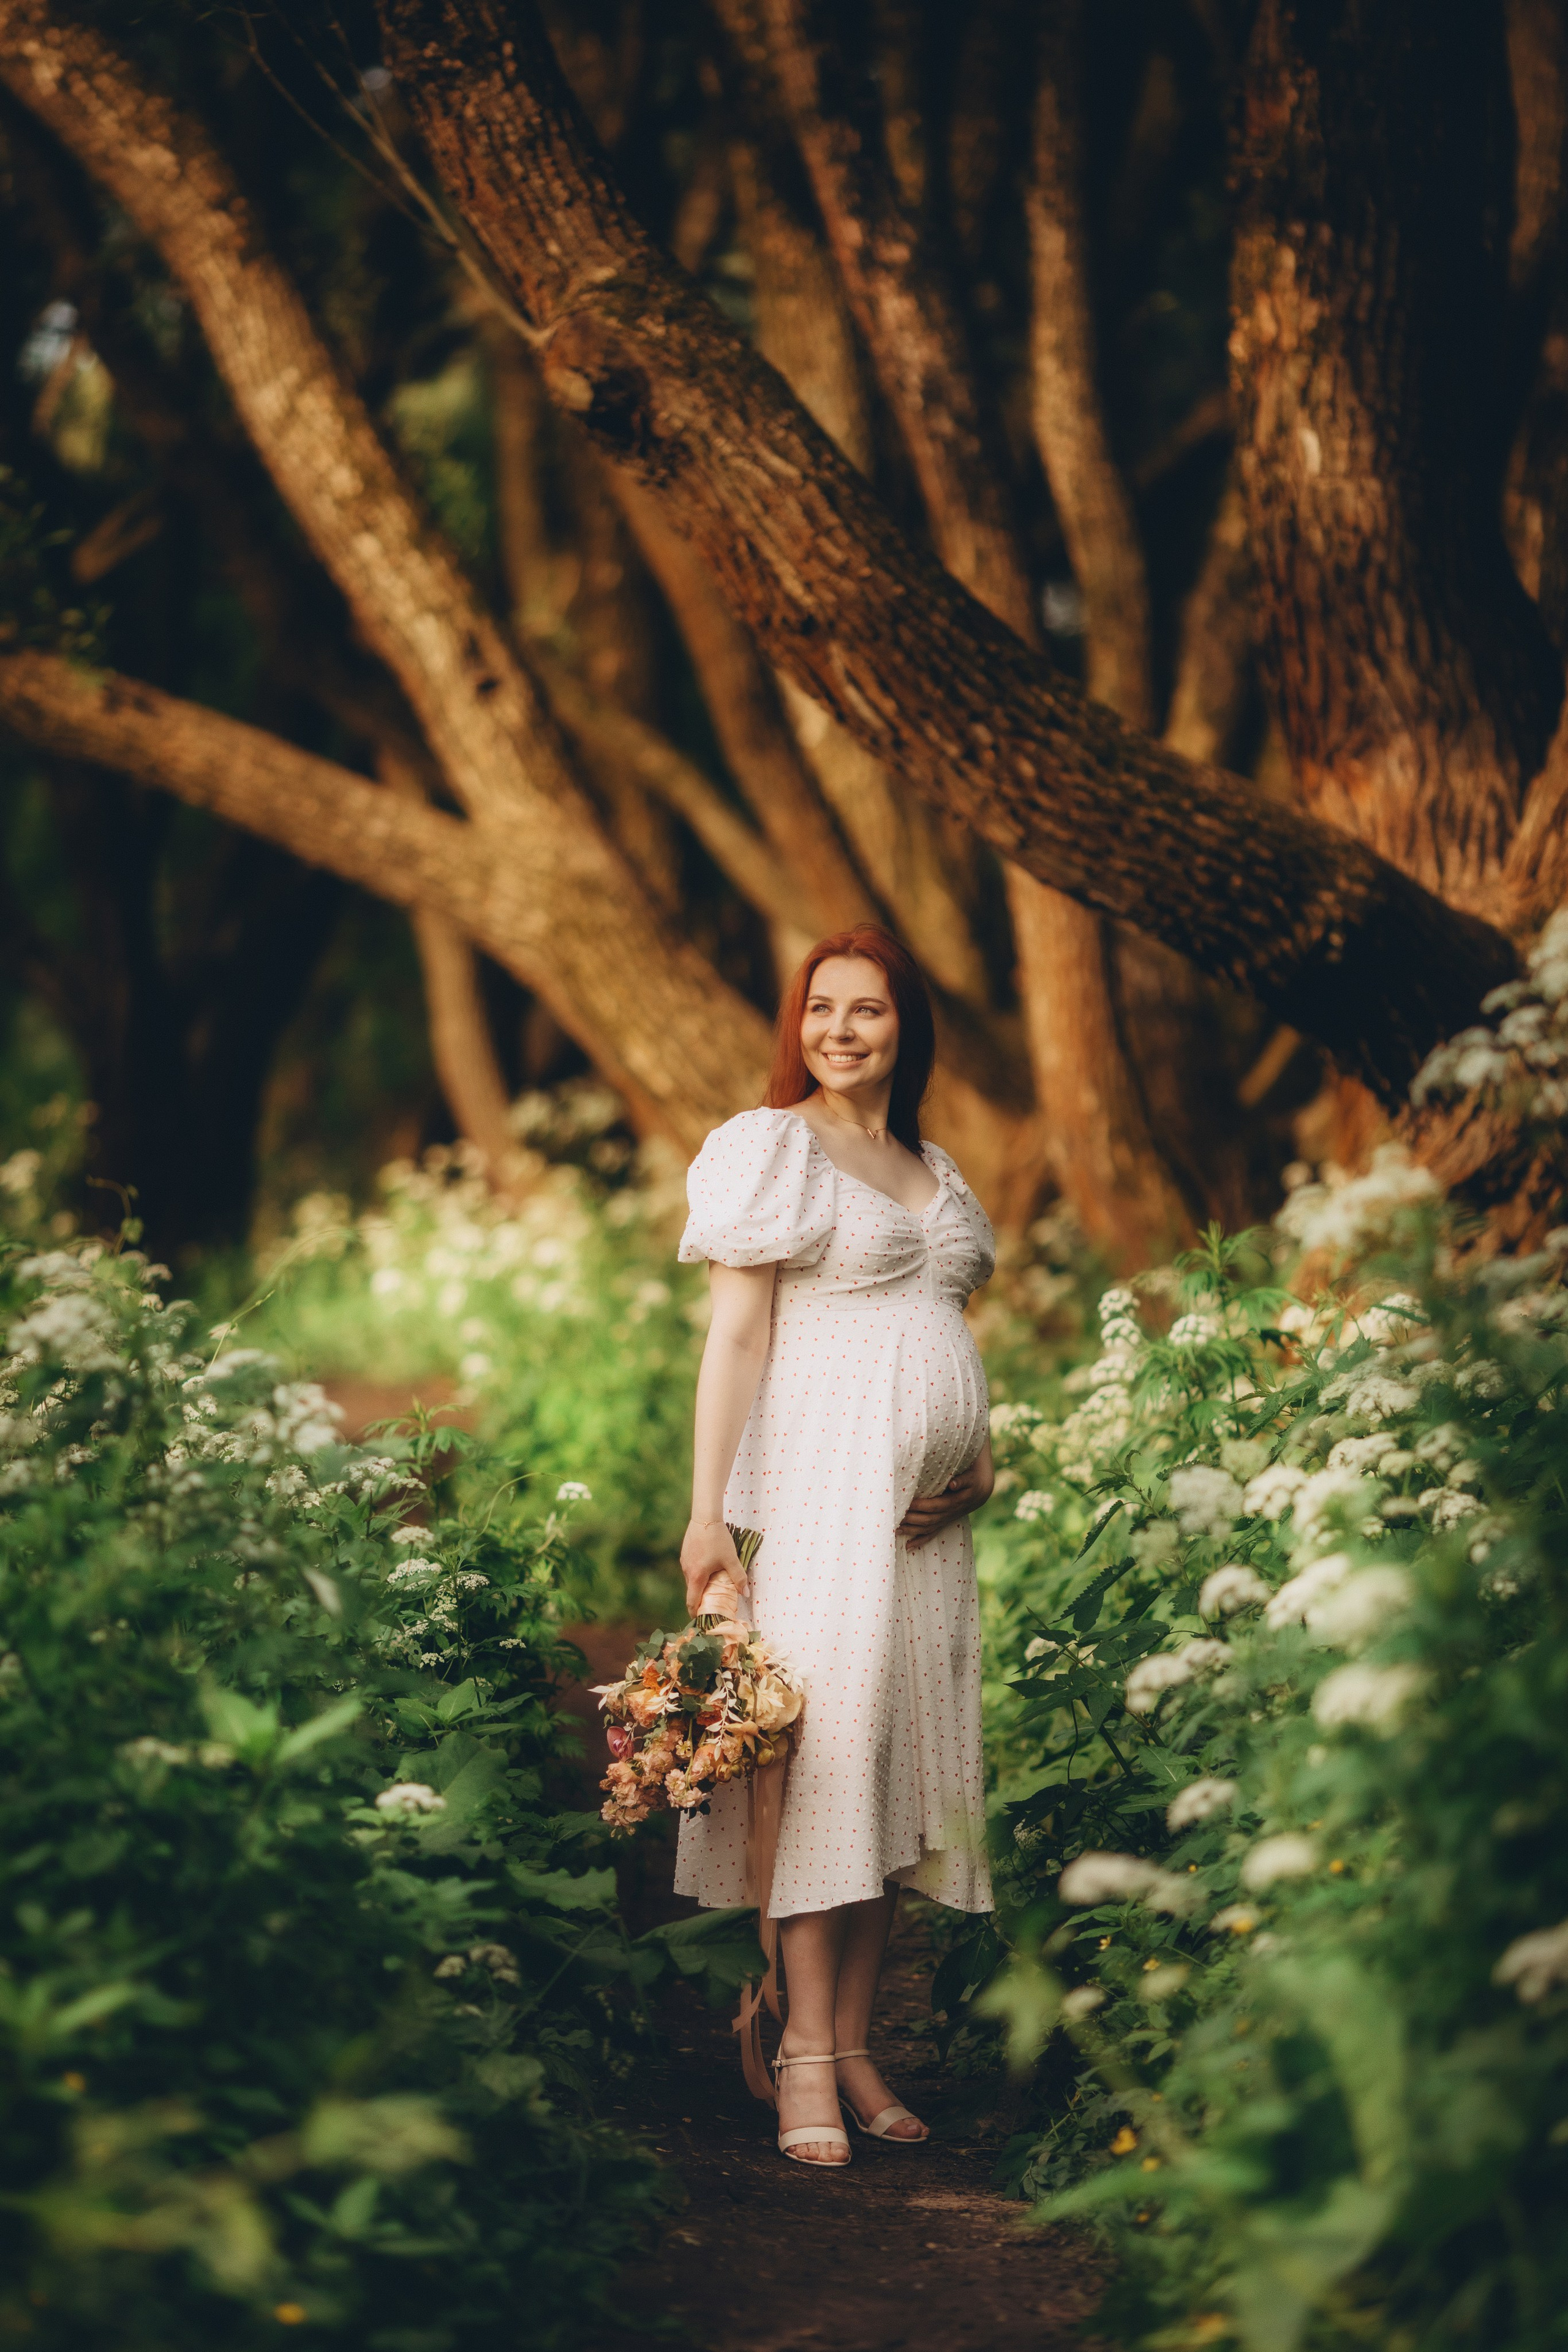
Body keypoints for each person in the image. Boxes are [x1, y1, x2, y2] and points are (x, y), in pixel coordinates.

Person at [676, 924, 997, 2167]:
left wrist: (978, 1455)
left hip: (927, 1531)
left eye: (867, 1009)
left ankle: (854, 2044)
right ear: (796, 1022)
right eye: (821, 1007)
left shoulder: (931, 1164)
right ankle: (802, 2047)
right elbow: (737, 1336)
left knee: (895, 1773)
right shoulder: (773, 1149)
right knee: (824, 1766)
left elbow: (941, 1320)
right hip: (823, 1499)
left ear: (907, 1026)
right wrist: (708, 1512)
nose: (840, 1030)